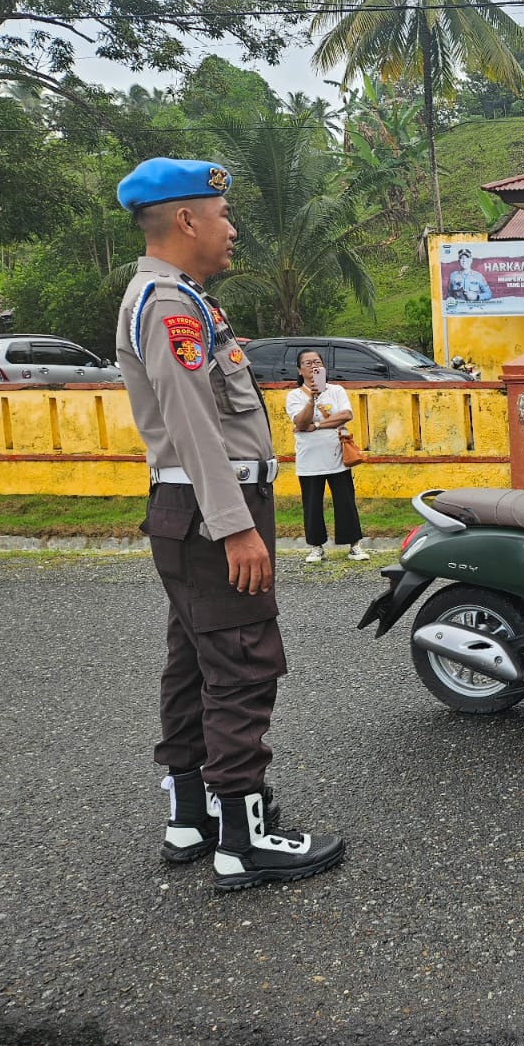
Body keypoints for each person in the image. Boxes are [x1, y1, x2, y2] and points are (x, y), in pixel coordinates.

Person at [113, 157, 344, 891]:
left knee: (194, 659)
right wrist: (233, 525)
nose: (232, 229)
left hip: (191, 508)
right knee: (243, 661)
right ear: (186, 219)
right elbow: (191, 422)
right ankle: (245, 839)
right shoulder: (169, 304)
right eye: (222, 216)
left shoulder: (176, 297)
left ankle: (191, 815)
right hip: (212, 509)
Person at [285, 348, 367, 563]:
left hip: (336, 455)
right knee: (312, 504)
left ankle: (354, 545)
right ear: (299, 370)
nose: (314, 366)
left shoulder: (336, 390)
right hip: (309, 459)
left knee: (345, 501)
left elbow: (346, 415)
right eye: (308, 363)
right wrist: (311, 399)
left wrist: (318, 425)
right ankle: (316, 547)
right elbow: (300, 422)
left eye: (317, 362)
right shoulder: (294, 396)